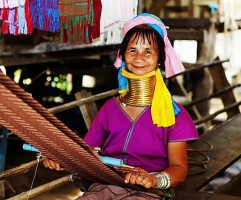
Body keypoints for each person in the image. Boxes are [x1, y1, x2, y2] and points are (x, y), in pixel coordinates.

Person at [43, 13, 199, 199]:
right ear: (123, 55)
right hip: (105, 185)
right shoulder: (110, 109)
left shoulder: (175, 116)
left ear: (159, 59)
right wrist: (62, 160)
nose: (139, 57)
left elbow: (179, 170)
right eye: (132, 50)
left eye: (148, 51)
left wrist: (154, 180)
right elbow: (85, 152)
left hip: (149, 192)